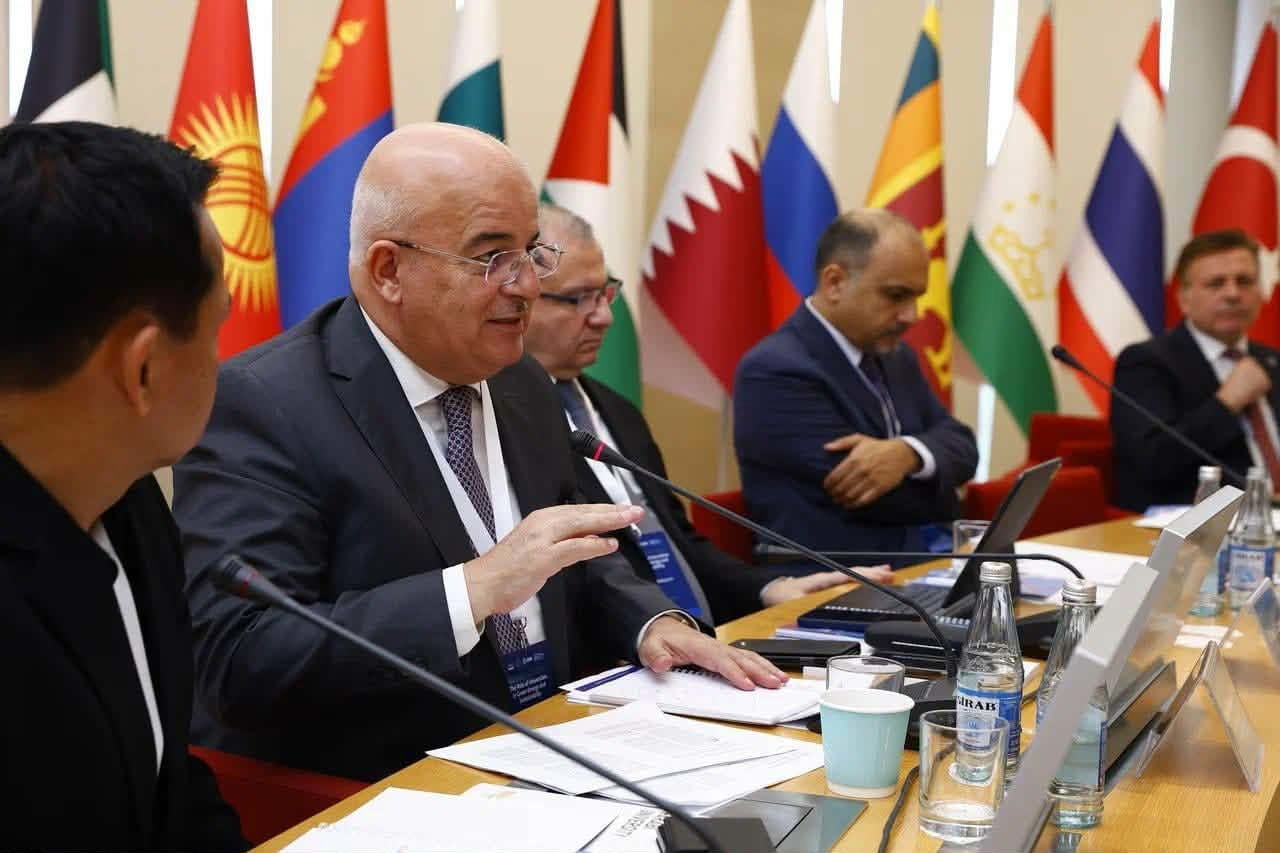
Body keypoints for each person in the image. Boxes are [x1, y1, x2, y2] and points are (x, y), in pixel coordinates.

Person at [173, 123, 785, 782]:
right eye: (492, 257)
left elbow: (569, 555)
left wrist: (651, 624)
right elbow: (238, 655)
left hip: (561, 748)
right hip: (385, 787)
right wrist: (474, 589)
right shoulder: (267, 404)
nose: (527, 286)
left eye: (531, 252)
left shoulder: (522, 381)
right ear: (388, 270)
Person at [0, 122, 245, 851]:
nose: (224, 361)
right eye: (216, 329)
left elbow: (169, 786)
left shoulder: (129, 496)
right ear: (143, 368)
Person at [523, 205, 883, 624]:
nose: (604, 317)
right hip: (620, 645)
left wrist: (770, 588)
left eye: (605, 294)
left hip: (696, 633)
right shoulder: (504, 425)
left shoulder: (619, 411)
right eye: (577, 299)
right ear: (520, 296)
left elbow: (680, 542)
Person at [733, 209, 978, 561]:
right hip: (832, 576)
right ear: (835, 282)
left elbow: (964, 444)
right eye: (896, 295)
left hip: (920, 565)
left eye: (916, 297)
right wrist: (944, 481)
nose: (911, 315)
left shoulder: (898, 357)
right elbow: (877, 498)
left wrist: (908, 453)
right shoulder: (775, 370)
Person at [1111, 229, 1280, 511]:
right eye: (1216, 284)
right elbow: (1151, 461)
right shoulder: (1145, 363)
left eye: (1244, 281)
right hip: (1202, 522)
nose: (1233, 294)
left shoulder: (1272, 360)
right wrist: (1226, 404)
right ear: (1184, 299)